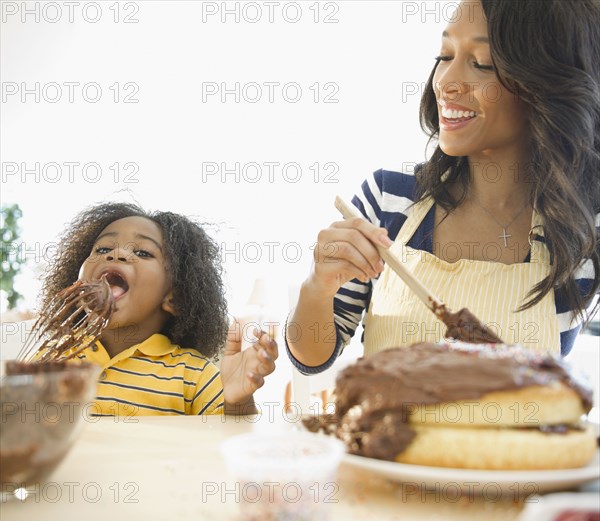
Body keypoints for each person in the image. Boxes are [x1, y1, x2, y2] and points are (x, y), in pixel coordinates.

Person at [286, 0, 600, 374]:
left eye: (481, 62)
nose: (446, 82)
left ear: (543, 84)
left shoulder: (583, 230)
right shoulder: (388, 202)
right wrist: (317, 286)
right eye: (445, 55)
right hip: (389, 433)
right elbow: (312, 356)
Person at [40, 202, 278, 416]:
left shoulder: (193, 375)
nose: (117, 254)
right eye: (102, 249)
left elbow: (226, 442)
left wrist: (236, 402)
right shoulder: (51, 359)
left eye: (142, 252)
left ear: (173, 299)